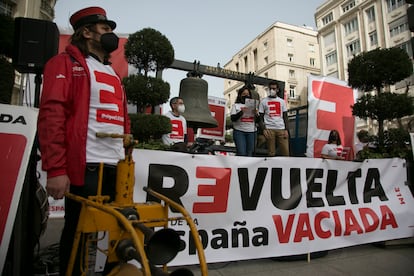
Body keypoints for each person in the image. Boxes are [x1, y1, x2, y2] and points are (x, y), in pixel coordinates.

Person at [37, 7, 129, 275]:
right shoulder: (63, 64)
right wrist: (55, 169)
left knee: (111, 235)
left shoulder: (113, 73)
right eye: (105, 28)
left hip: (117, 166)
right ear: (86, 32)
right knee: (79, 234)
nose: (111, 34)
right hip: (85, 166)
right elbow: (52, 116)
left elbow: (123, 120)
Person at [258, 81, 290, 156]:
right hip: (269, 129)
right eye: (270, 88)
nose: (272, 90)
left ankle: (285, 167)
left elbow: (285, 116)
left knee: (285, 152)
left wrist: (286, 130)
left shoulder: (282, 101)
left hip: (281, 129)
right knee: (271, 153)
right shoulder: (263, 101)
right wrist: (264, 129)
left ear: (277, 90)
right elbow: (260, 117)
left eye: (274, 88)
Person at [230, 86, 258, 156]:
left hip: (252, 132)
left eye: (247, 94)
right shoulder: (236, 106)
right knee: (241, 153)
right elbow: (233, 118)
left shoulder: (254, 105)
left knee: (249, 153)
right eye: (244, 94)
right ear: (240, 95)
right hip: (239, 131)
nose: (246, 96)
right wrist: (241, 112)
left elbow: (258, 121)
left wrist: (256, 114)